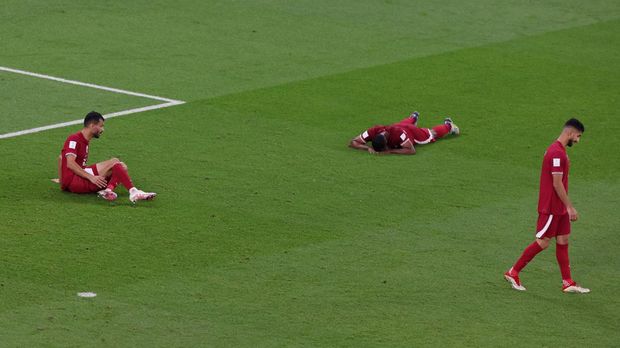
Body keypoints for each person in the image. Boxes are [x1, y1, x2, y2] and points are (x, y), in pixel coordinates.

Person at [504, 118, 589, 293]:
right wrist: (570, 207)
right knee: (542, 242)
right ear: (570, 133)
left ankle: (568, 282)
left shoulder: (559, 150)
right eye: (578, 136)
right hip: (552, 207)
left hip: (559, 207)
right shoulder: (556, 153)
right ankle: (513, 272)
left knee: (563, 239)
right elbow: (557, 184)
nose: (578, 140)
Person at [58, 111, 156, 203]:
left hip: (78, 176)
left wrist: (63, 184)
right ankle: (133, 191)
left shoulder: (83, 140)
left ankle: (108, 190)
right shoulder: (74, 139)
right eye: (101, 126)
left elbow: (60, 158)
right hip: (75, 182)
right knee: (118, 167)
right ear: (92, 125)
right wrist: (91, 177)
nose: (102, 130)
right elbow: (70, 163)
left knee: (118, 164)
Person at [349, 112, 460, 155]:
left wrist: (391, 151)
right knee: (399, 124)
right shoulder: (372, 131)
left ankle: (449, 126)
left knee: (431, 133)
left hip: (410, 132)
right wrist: (366, 148)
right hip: (398, 126)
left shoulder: (398, 135)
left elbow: (411, 150)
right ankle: (413, 118)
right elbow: (353, 142)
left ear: (387, 142)